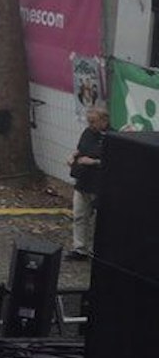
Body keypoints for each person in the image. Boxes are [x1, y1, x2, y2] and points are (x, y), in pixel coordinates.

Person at [69, 106, 109, 260]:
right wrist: (73, 156)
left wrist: (93, 162)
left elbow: (114, 161)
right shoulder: (87, 133)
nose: (90, 125)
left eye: (93, 122)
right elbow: (80, 149)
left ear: (104, 121)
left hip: (98, 184)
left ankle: (100, 249)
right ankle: (80, 248)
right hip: (83, 180)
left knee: (100, 219)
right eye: (89, 122)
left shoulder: (112, 137)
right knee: (79, 215)